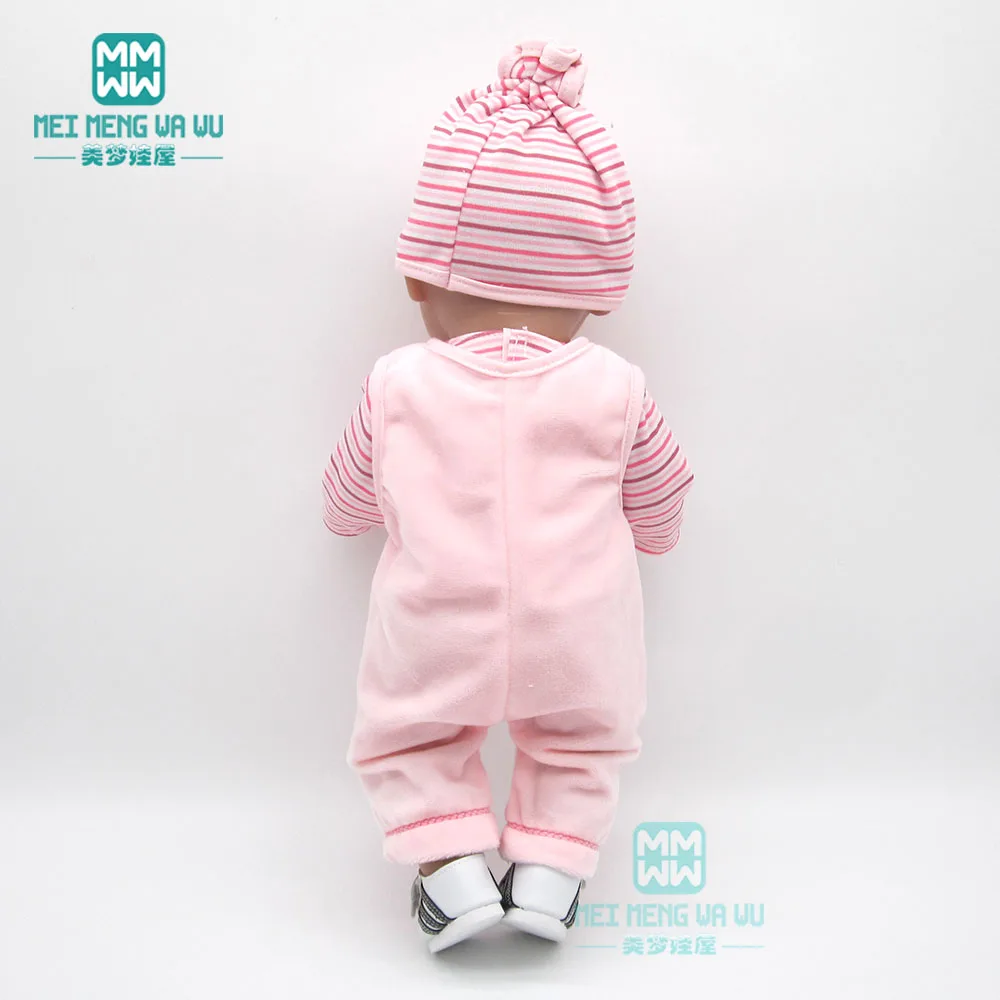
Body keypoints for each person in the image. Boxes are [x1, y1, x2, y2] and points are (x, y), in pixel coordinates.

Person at [322, 39, 693, 953]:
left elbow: (346, 496)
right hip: (580, 628)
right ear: (596, 293)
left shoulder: (397, 384)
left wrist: (354, 516)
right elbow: (662, 501)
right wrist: (652, 534)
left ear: (417, 275)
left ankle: (451, 876)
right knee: (582, 741)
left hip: (433, 624)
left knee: (410, 740)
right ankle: (550, 876)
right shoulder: (616, 387)